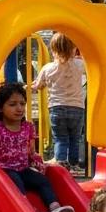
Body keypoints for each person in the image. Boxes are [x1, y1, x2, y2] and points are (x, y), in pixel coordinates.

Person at [0, 82, 74, 212]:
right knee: (15, 181)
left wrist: (38, 162)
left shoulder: (28, 126)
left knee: (42, 181)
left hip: (22, 168)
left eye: (22, 103)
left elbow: (31, 151)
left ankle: (54, 207)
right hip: (3, 171)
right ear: (1, 108)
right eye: (12, 104)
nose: (19, 108)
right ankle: (28, 211)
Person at [33, 32, 86, 174]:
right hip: (77, 108)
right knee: (75, 138)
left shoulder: (48, 68)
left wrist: (29, 87)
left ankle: (61, 166)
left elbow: (37, 85)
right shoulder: (80, 65)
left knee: (60, 138)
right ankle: (74, 165)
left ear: (53, 49)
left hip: (57, 108)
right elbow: (91, 70)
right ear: (74, 48)